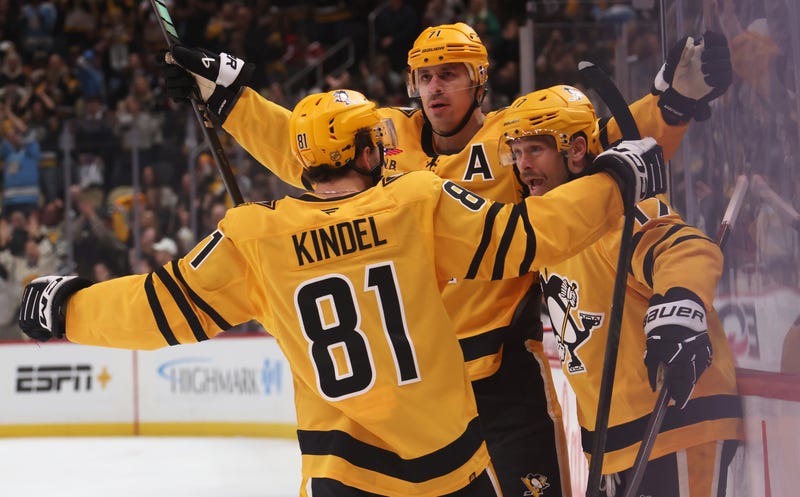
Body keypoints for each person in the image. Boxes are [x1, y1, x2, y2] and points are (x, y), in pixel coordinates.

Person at [160, 23, 732, 497]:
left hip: (503, 379)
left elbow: (596, 148)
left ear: (479, 79)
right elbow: (307, 148)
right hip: (416, 389)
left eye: (451, 74)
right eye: (426, 76)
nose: (435, 89)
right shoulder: (382, 139)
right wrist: (231, 101)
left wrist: (670, 105)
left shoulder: (516, 140)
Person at [18, 89, 666, 497]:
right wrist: (612, 179)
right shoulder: (415, 205)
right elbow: (532, 234)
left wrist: (67, 307)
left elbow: (157, 310)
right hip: (450, 471)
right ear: (364, 152)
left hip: (341, 476)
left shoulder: (256, 237)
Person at [497, 84, 743, 497]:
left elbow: (683, 248)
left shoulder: (616, 212)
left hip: (676, 423)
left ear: (576, 149)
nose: (523, 165)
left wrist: (679, 304)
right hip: (615, 444)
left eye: (535, 150)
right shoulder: (552, 228)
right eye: (516, 153)